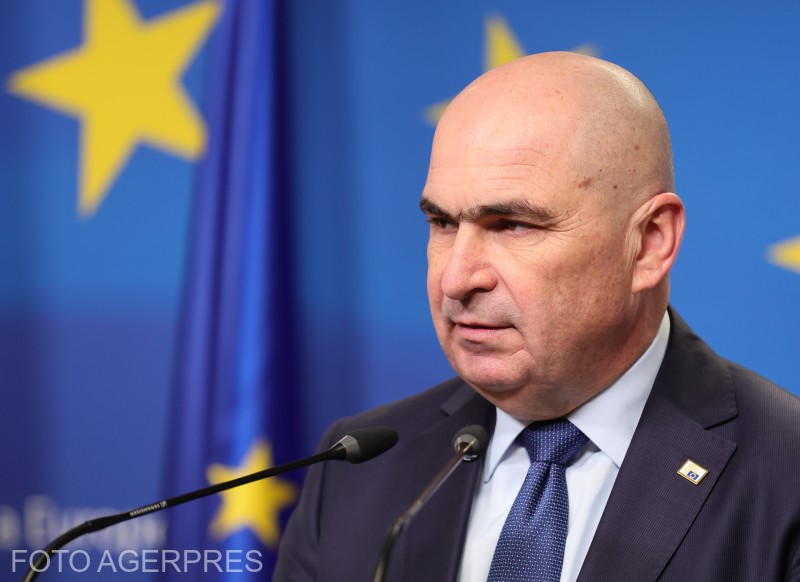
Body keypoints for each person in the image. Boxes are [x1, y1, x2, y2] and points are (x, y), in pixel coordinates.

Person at [274, 52, 800, 581]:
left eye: (512, 225)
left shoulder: (786, 473)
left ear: (648, 242)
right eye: (442, 223)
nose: (455, 279)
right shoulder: (356, 468)